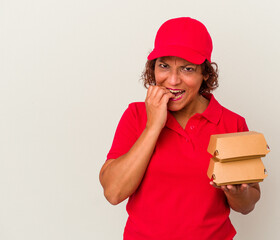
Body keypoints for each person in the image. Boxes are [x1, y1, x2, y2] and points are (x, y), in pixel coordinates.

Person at [99, 17, 261, 240]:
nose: (173, 80)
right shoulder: (136, 115)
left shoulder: (232, 124)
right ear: (152, 68)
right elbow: (113, 192)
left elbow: (247, 205)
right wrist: (153, 125)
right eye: (164, 66)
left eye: (187, 69)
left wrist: (238, 193)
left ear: (205, 73)